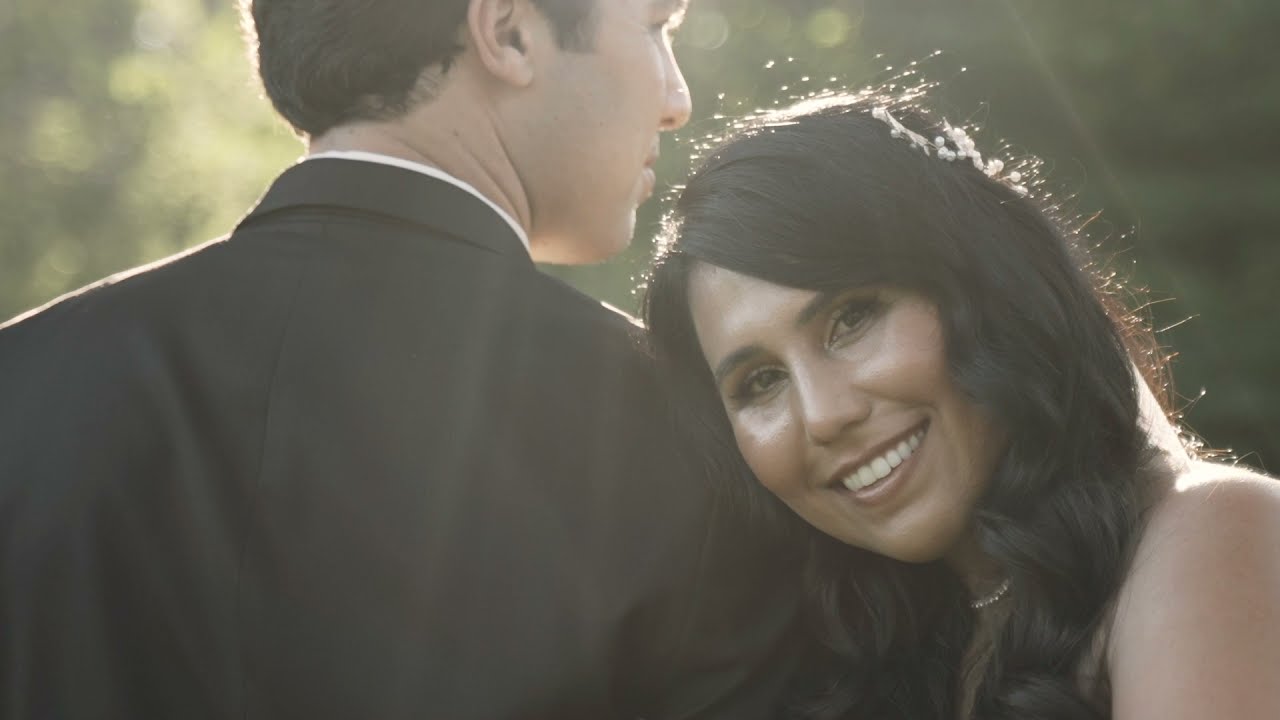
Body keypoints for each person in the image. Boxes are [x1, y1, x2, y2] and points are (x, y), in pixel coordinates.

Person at [0, 1, 809, 717]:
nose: (678, 100)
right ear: (509, 30)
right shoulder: (677, 424)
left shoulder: (24, 378)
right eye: (656, 29)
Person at [643, 90, 1280, 720]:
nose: (822, 415)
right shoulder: (878, 647)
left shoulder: (1211, 535)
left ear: (984, 282)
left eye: (852, 318)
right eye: (760, 382)